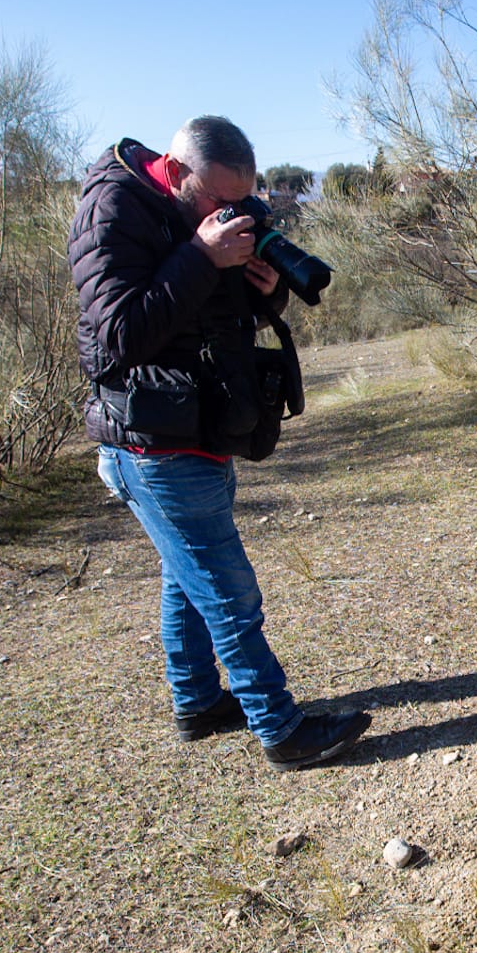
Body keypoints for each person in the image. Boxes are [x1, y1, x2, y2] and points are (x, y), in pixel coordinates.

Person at [68, 115, 369, 767]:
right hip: (152, 438)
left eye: (243, 200)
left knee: (188, 577)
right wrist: (203, 256)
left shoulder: (206, 206)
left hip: (201, 423)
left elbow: (206, 318)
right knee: (226, 589)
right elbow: (122, 334)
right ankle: (281, 730)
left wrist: (262, 294)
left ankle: (199, 702)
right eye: (219, 201)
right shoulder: (112, 210)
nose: (234, 213)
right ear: (176, 174)